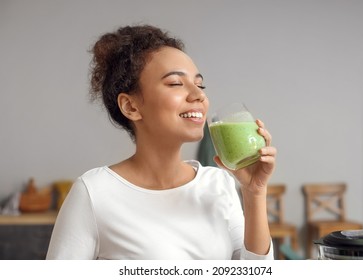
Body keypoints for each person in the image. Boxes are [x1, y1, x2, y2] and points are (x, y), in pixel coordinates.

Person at [46, 24, 277, 260]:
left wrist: (254, 193)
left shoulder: (218, 184)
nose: (199, 95)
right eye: (176, 83)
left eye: (200, 84)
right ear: (131, 106)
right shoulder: (94, 192)